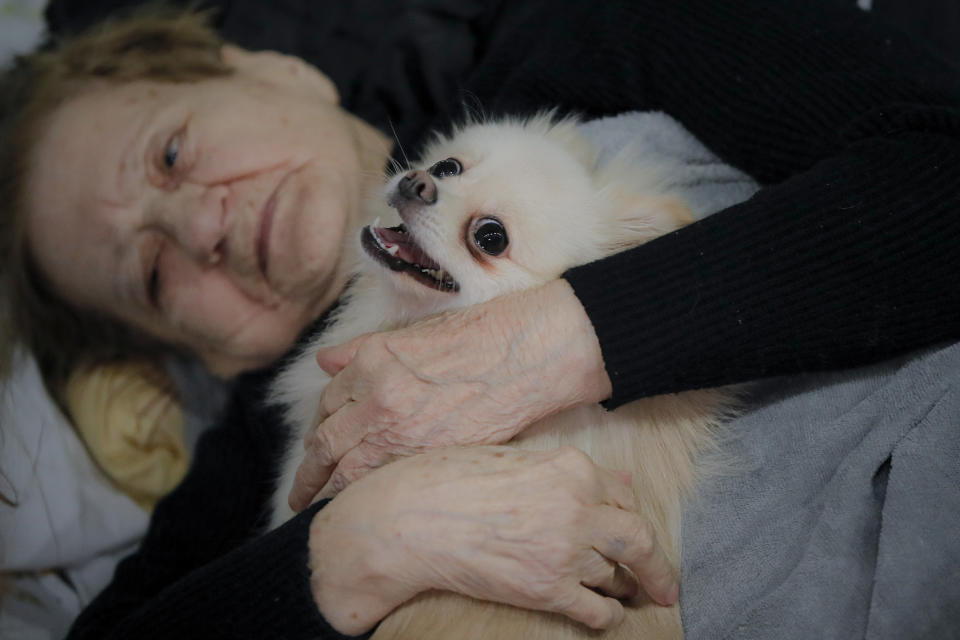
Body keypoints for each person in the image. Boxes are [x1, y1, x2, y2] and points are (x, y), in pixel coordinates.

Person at [0, 0, 957, 637]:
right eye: (154, 275)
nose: (200, 223)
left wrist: (560, 340)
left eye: (169, 155)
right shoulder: (250, 470)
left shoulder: (591, 33)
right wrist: (356, 548)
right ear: (191, 353)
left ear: (274, 69)